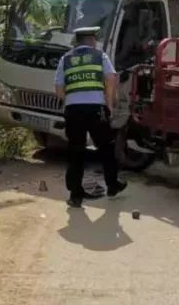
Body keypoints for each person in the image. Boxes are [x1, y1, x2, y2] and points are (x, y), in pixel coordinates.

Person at [54, 26, 127, 207]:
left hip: (73, 110)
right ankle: (112, 185)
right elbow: (111, 77)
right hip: (96, 108)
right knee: (106, 148)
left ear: (77, 42)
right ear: (92, 40)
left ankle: (75, 196)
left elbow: (58, 88)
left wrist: (71, 101)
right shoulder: (99, 56)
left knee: (75, 151)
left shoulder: (66, 59)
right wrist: (108, 103)